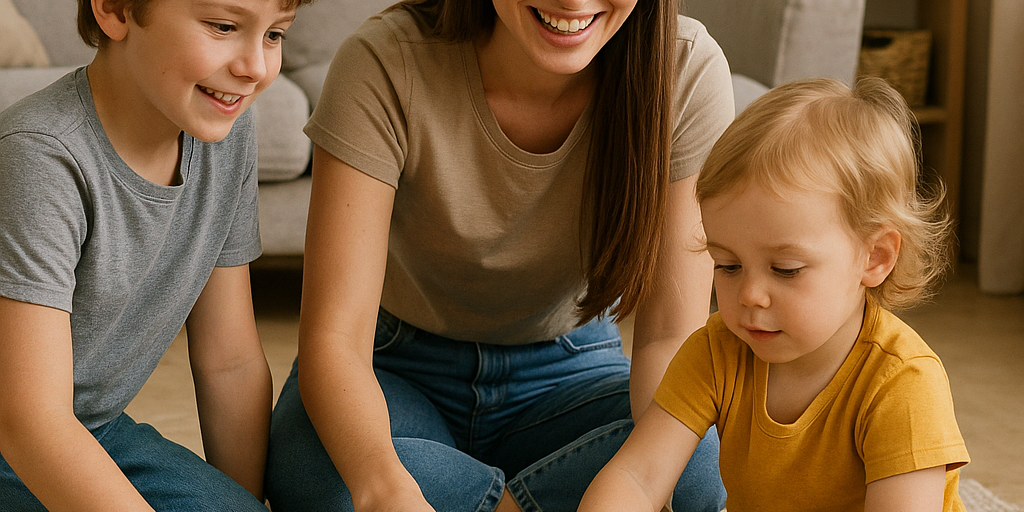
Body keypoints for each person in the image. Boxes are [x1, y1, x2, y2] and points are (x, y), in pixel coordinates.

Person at [264, 0, 734, 510]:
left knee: (701, 464)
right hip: (392, 363)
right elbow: (335, 342)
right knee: (319, 474)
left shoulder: (684, 69)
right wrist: (385, 488)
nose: (574, 3)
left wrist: (647, 479)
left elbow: (669, 341)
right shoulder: (385, 61)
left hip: (570, 364)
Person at [578, 77, 971, 512]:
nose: (750, 295)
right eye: (727, 265)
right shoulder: (716, 352)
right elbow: (636, 477)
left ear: (874, 257)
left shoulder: (904, 385)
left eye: (785, 270)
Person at [0, 0, 314, 509]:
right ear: (115, 10)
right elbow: (28, 424)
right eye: (224, 27)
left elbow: (229, 362)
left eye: (275, 35)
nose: (255, 68)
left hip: (93, 430)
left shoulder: (224, 135)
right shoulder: (40, 155)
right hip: (19, 437)